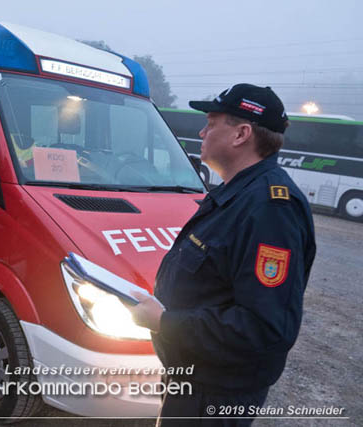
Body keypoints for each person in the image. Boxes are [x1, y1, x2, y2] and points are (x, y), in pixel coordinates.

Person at [130, 84, 316, 426]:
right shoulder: (238, 193)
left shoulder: (270, 208)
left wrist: (163, 322)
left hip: (214, 396)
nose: (202, 131)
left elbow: (264, 328)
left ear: (241, 134)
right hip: (195, 382)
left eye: (212, 122)